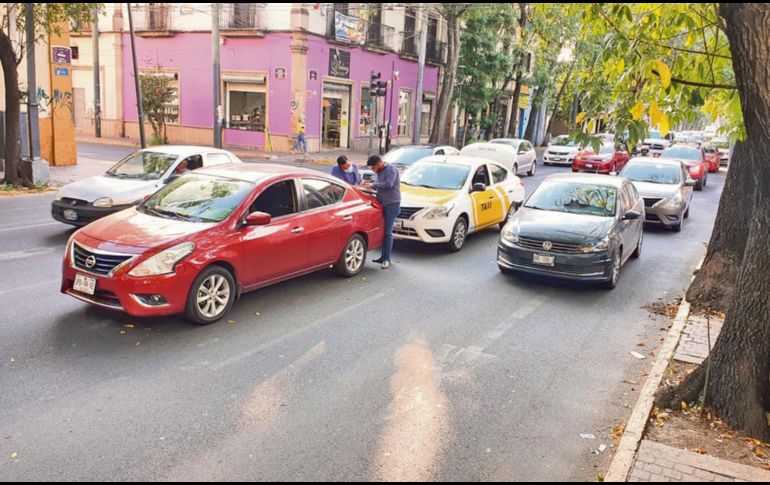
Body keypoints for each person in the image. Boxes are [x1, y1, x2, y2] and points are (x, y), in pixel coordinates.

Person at [362, 154, 400, 270]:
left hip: (391, 204)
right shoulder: (378, 171)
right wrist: (367, 186)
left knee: (388, 232)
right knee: (382, 231)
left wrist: (374, 184)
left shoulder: (391, 169)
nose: (373, 170)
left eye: (374, 167)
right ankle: (383, 256)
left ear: (379, 164)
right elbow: (378, 186)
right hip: (381, 203)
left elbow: (388, 184)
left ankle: (387, 259)